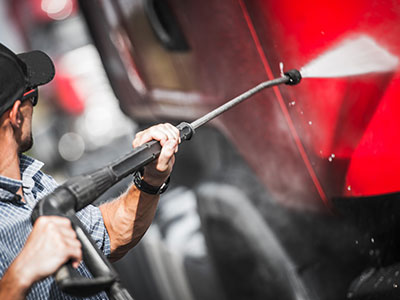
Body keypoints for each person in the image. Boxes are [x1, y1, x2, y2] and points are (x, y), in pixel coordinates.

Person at [0, 42, 180, 299]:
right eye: (32, 95)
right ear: (16, 115)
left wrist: (150, 179)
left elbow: (109, 235)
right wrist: (22, 273)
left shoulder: (30, 178)